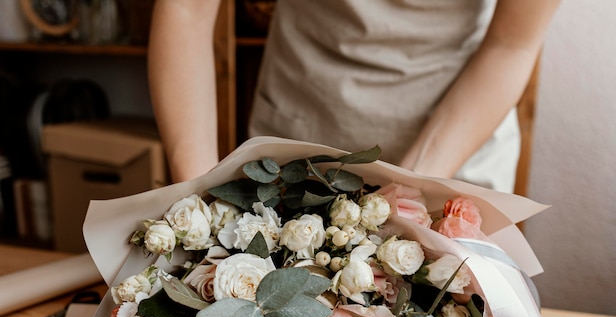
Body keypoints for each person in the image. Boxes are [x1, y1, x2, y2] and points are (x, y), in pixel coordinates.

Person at [148, 0, 560, 192]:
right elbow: (187, 10)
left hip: (456, 150)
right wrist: (195, 192)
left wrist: (409, 186)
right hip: (297, 137)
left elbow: (511, 44)